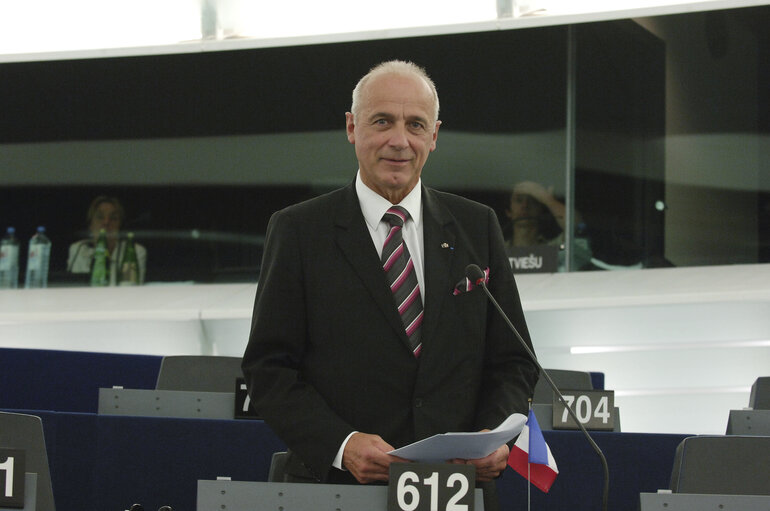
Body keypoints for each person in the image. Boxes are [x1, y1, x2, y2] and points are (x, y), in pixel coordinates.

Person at [241, 60, 538, 510]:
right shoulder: (298, 230)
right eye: (382, 122)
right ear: (352, 128)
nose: (399, 141)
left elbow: (514, 361)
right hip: (337, 491)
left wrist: (494, 439)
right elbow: (269, 369)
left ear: (434, 136)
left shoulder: (477, 227)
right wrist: (342, 444)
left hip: (456, 492)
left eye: (415, 125)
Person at [505, 181, 592, 271]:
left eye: (533, 201)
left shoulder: (555, 248)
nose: (525, 206)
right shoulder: (497, 251)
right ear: (508, 212)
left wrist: (548, 199)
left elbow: (576, 226)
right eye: (519, 200)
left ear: (540, 209)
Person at [67, 195, 147, 284]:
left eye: (113, 218)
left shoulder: (134, 250)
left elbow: (130, 288)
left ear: (120, 226)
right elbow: (74, 286)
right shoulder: (79, 249)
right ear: (90, 225)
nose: (106, 222)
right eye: (100, 217)